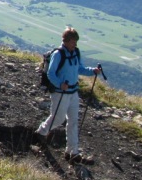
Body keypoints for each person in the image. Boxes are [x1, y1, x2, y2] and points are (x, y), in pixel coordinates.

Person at [36, 26, 102, 164]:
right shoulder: (58, 54)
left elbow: (80, 69)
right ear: (66, 41)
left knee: (73, 121)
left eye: (76, 42)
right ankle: (40, 133)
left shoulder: (75, 52)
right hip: (60, 93)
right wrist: (60, 84)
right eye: (73, 41)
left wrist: (93, 71)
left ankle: (73, 152)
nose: (75, 44)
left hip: (73, 92)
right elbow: (51, 73)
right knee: (58, 118)